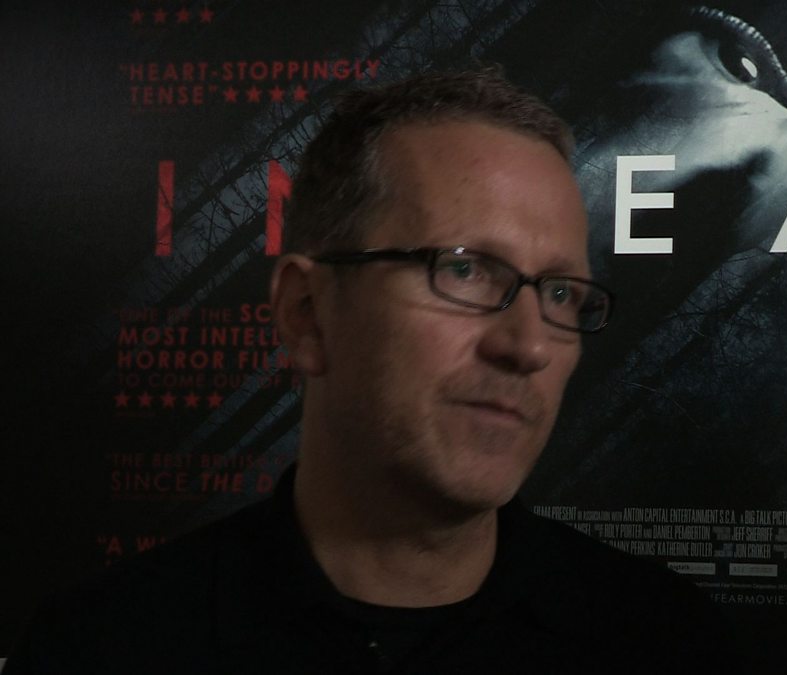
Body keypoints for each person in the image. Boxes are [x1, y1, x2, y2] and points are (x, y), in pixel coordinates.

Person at [6, 68, 737, 674]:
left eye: (560, 293)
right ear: (306, 313)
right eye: (463, 269)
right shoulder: (101, 650)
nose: (529, 346)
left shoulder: (669, 645)